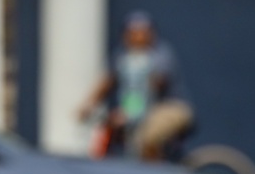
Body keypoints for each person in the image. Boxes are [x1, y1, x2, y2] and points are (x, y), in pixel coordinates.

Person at [78, 11, 193, 160]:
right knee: (109, 133)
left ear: (151, 34)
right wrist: (88, 105)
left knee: (146, 137)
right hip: (137, 109)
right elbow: (108, 82)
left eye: (142, 32)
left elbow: (150, 87)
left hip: (170, 108)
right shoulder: (121, 56)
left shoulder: (161, 55)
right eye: (133, 33)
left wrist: (129, 111)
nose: (138, 37)